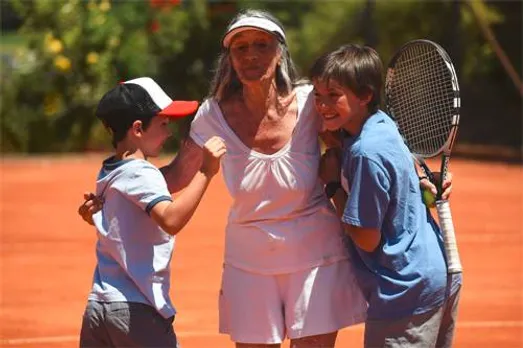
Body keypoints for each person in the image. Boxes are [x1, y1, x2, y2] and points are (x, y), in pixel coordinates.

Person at [310, 44, 462, 348]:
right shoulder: (382, 125)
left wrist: (331, 186)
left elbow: (367, 238)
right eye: (317, 96)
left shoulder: (367, 153)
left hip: (405, 291)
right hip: (433, 275)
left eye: (333, 95)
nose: (323, 105)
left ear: (365, 95)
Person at [78, 77, 226, 347]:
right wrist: (207, 171)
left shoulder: (111, 170)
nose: (169, 133)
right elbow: (170, 219)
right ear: (137, 128)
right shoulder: (141, 171)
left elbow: (124, 219)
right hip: (136, 311)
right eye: (163, 124)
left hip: (98, 307)